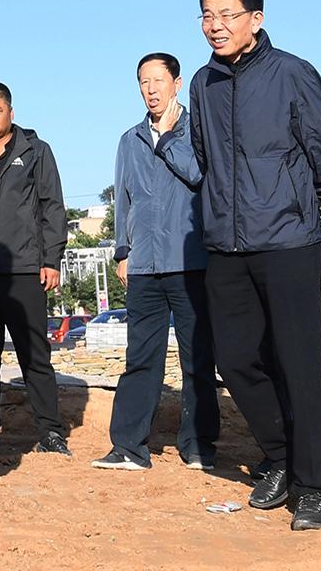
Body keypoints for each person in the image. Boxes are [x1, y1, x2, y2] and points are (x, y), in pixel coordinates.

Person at [188, 0, 321, 531]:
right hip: (226, 245)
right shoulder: (203, 83)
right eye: (206, 15)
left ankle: (315, 485)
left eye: (227, 15)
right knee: (234, 359)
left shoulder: (292, 73)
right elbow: (205, 156)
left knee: (298, 364)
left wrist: (289, 202)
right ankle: (280, 457)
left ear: (256, 18)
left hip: (287, 242)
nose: (215, 26)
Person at [92, 52, 220, 473]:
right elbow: (124, 198)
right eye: (144, 82)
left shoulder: (196, 131)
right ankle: (128, 447)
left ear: (176, 84)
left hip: (189, 260)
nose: (150, 90)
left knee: (197, 358)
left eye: (158, 81)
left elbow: (199, 174)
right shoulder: (129, 139)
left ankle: (199, 445)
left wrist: (167, 140)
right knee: (140, 358)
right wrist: (122, 251)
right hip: (144, 265)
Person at [0, 81, 70, 458]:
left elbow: (51, 206)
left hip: (24, 270)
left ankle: (51, 432)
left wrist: (51, 259)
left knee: (34, 355)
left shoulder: (36, 151)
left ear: (11, 113)